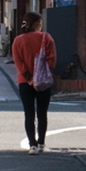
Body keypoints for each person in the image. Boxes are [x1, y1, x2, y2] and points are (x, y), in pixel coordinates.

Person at [12, 12, 56, 155]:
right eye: (40, 22)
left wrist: (28, 76)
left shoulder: (18, 40)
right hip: (43, 81)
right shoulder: (46, 37)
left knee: (29, 113)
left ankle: (32, 145)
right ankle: (42, 142)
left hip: (25, 82)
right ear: (37, 24)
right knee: (42, 113)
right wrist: (43, 71)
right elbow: (52, 60)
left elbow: (18, 61)